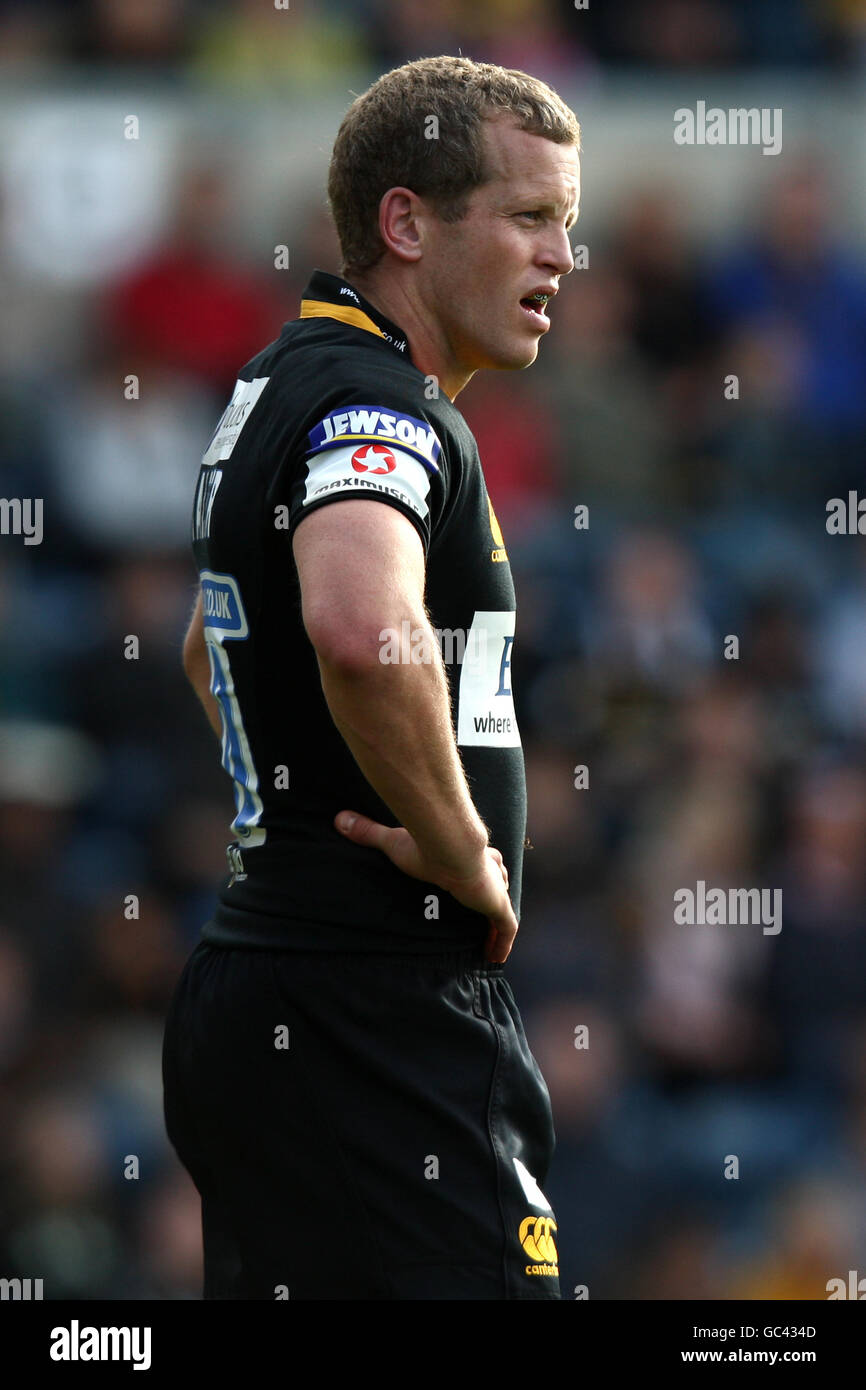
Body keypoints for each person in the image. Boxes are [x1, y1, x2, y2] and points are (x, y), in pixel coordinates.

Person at [162, 54, 580, 1301]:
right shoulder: (377, 404)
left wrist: (294, 804)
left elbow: (208, 648)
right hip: (369, 1013)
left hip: (279, 990)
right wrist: (459, 850)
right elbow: (357, 625)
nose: (562, 256)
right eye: (528, 217)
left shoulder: (289, 378)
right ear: (405, 222)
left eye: (568, 223)